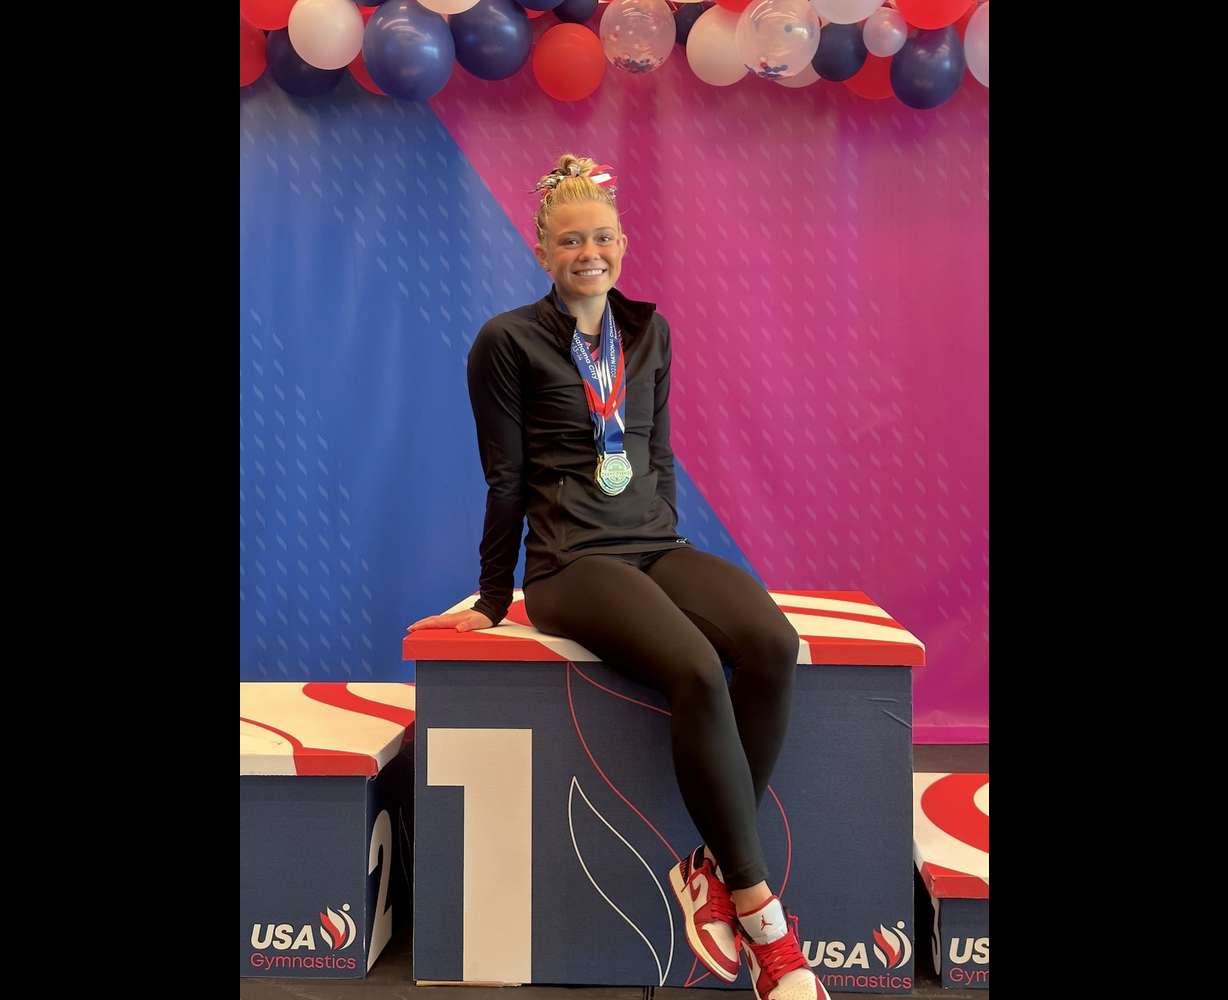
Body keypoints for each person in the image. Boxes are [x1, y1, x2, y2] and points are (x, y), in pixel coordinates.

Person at [409, 154, 826, 1000]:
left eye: (600, 236)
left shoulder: (651, 332)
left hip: (652, 545)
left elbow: (656, 451)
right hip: (573, 563)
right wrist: (496, 598)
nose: (587, 252)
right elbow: (504, 478)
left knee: (773, 643)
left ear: (623, 243)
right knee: (697, 668)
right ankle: (764, 924)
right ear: (541, 250)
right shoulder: (506, 341)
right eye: (569, 240)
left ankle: (708, 864)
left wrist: (663, 535)